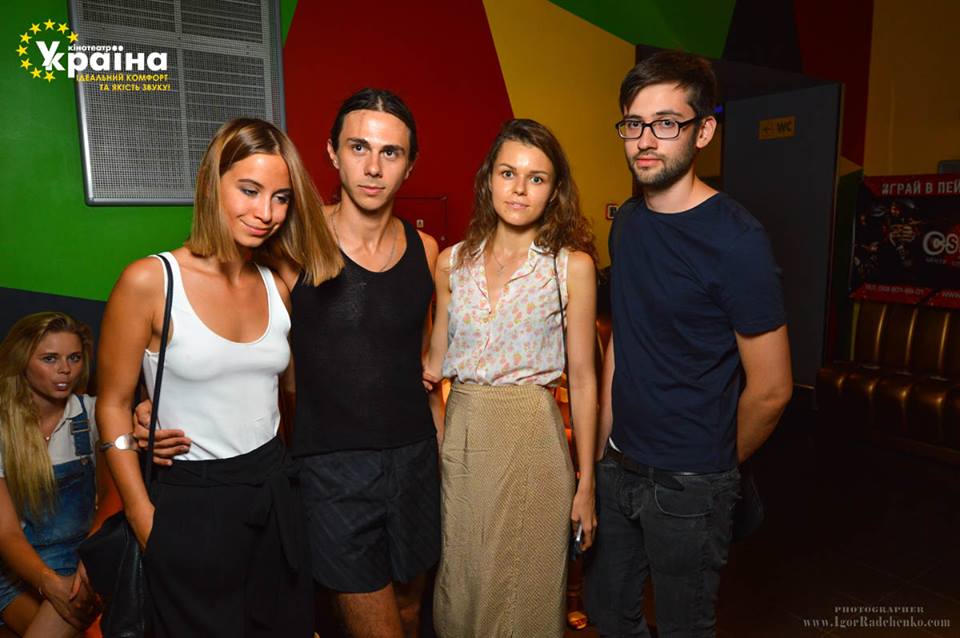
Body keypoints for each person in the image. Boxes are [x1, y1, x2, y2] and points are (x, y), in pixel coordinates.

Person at [137, 89, 441, 638]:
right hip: (330, 468)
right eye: (358, 147)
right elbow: (212, 320)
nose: (373, 167)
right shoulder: (289, 247)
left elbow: (419, 359)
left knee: (411, 611)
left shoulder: (427, 249)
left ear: (410, 163)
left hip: (415, 457)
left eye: (390, 152)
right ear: (331, 152)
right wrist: (150, 405)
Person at [96, 117, 340, 637]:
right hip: (192, 501)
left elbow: (283, 396)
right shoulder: (150, 280)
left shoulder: (277, 284)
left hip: (274, 494)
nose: (266, 213)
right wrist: (143, 518)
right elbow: (112, 403)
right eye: (249, 190)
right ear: (211, 184)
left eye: (280, 198)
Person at [584, 50, 793, 637]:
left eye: (667, 123)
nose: (646, 139)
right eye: (634, 123)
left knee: (683, 627)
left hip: (690, 484)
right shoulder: (628, 222)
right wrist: (601, 455)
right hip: (619, 466)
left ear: (703, 132)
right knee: (608, 615)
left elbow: (773, 389)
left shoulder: (737, 242)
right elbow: (624, 339)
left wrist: (712, 469)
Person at [423, 118, 598, 637]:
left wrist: (587, 481)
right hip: (463, 438)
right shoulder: (451, 263)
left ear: (554, 191)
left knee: (524, 595)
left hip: (532, 439)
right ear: (488, 180)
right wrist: (439, 438)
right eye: (508, 173)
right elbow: (433, 365)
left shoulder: (570, 267)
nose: (519, 189)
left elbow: (583, 379)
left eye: (536, 178)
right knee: (461, 585)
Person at [0, 312, 102, 637]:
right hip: (18, 568)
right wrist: (49, 583)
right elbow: (6, 534)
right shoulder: (3, 426)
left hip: (83, 562)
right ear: (22, 362)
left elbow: (111, 504)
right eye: (50, 358)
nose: (65, 369)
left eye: (74, 358)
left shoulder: (93, 414)